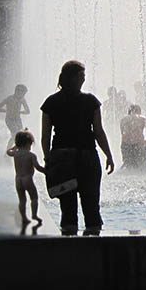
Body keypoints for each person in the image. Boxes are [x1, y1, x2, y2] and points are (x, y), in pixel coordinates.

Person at [40, 60, 115, 236]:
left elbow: (46, 136)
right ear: (73, 77)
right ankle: (94, 250)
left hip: (61, 159)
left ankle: (71, 254)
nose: (84, 78)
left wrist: (48, 158)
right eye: (82, 75)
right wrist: (108, 155)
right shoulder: (90, 101)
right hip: (86, 156)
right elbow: (98, 132)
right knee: (91, 205)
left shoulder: (51, 102)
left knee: (67, 209)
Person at [6, 129, 45, 226]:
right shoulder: (31, 155)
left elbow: (8, 152)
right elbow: (38, 167)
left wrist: (15, 147)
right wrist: (47, 171)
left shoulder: (15, 154)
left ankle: (24, 217)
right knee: (34, 198)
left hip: (18, 180)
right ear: (29, 143)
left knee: (22, 200)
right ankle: (34, 215)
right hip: (28, 180)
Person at [120, 104, 146, 171]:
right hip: (138, 145)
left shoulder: (123, 120)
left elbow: (122, 132)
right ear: (139, 111)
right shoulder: (142, 119)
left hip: (125, 144)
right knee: (141, 165)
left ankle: (126, 166)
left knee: (128, 165)